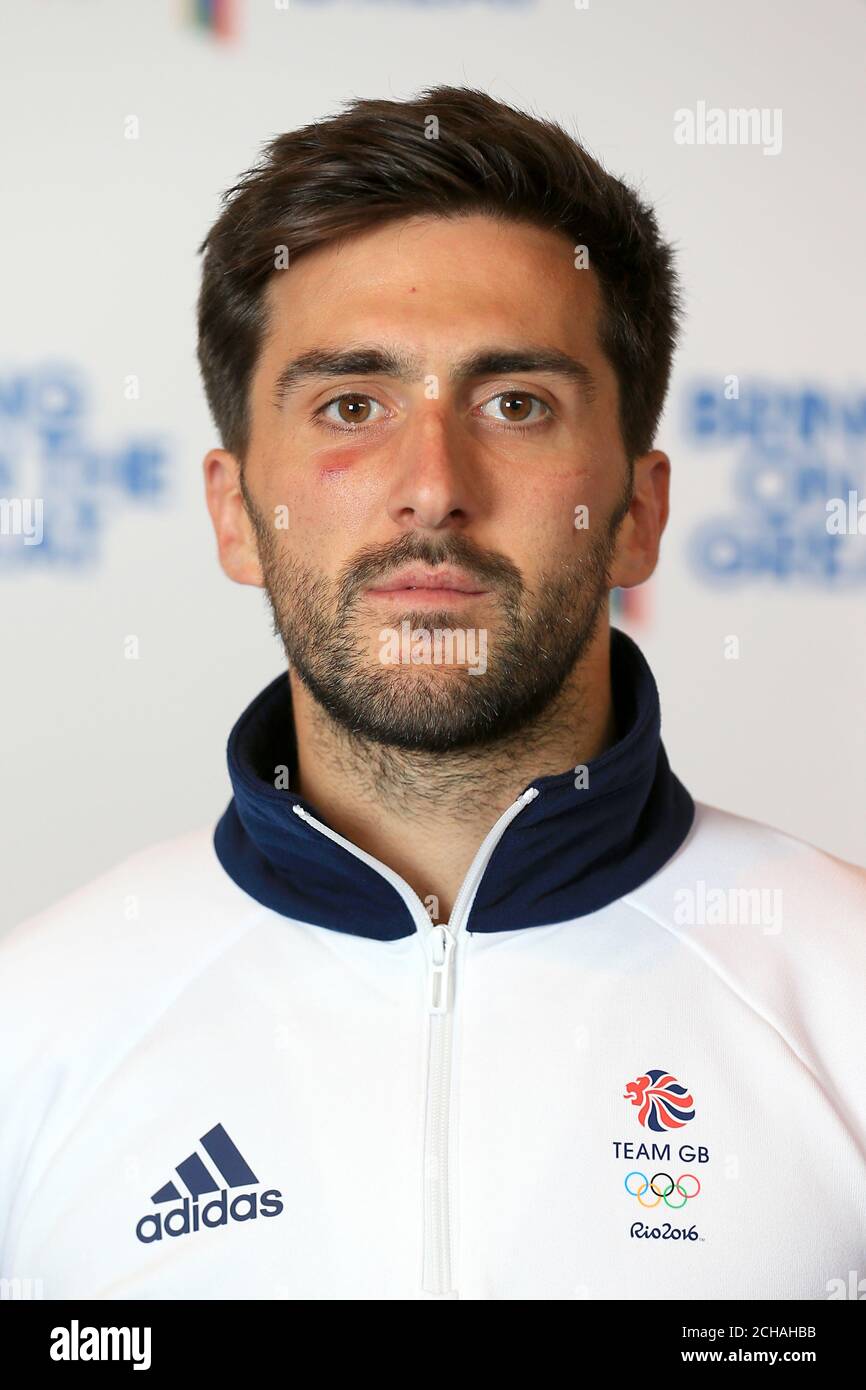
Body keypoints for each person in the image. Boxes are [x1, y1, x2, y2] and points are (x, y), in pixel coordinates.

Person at [1, 85, 864, 1302]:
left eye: (515, 404)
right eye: (351, 405)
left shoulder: (844, 993)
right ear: (233, 511)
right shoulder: (34, 1030)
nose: (431, 488)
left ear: (639, 509)